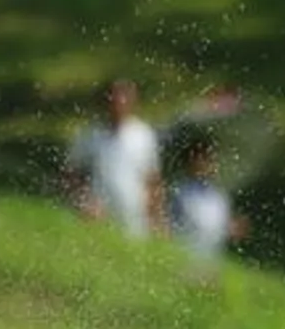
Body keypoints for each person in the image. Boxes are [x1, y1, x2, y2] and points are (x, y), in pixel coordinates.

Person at [62, 79, 166, 240]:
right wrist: (84, 201)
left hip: (134, 222)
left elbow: (152, 180)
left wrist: (157, 218)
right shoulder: (89, 135)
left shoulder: (144, 135)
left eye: (124, 99)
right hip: (96, 219)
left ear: (133, 102)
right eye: (115, 99)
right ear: (106, 101)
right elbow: (71, 174)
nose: (119, 104)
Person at [168, 133, 249, 277]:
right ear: (190, 160)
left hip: (209, 266)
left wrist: (232, 228)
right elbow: (167, 228)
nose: (206, 164)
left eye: (209, 159)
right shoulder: (178, 191)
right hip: (182, 262)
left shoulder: (219, 197)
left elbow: (215, 230)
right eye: (201, 158)